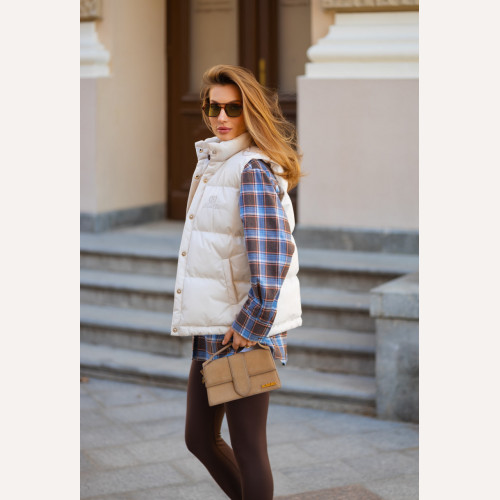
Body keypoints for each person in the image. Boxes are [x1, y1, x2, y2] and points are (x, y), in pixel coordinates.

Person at [170, 64, 302, 499]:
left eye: (233, 108)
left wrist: (251, 324)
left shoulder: (250, 169)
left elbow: (274, 252)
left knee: (248, 448)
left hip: (242, 329)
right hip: (217, 323)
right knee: (199, 438)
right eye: (213, 107)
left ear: (251, 112)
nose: (221, 117)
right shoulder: (216, 162)